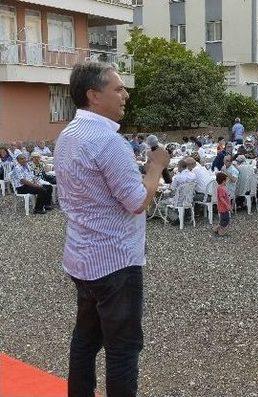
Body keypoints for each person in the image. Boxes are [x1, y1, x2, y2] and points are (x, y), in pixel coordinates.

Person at [54, 62, 170, 397]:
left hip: (81, 257)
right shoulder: (108, 141)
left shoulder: (67, 136)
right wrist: (156, 167)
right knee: (122, 349)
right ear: (93, 95)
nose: (125, 95)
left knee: (85, 340)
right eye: (117, 89)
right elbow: (136, 202)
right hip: (116, 260)